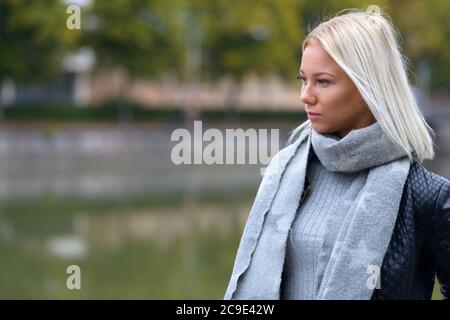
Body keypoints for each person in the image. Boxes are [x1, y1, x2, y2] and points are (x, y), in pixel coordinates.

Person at [224, 9, 450, 300]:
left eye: (323, 81)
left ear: (368, 87)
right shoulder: (285, 173)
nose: (305, 94)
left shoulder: (427, 196)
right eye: (303, 79)